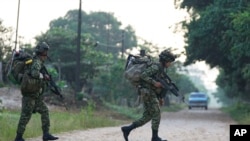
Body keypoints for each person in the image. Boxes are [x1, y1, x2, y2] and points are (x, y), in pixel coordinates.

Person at [121, 49, 176, 141]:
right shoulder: (156, 67)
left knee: (148, 116)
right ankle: (155, 137)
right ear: (165, 61)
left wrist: (160, 97)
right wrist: (154, 83)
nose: (170, 64)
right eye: (169, 62)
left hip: (149, 92)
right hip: (147, 92)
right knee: (156, 113)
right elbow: (143, 75)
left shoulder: (160, 69)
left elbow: (159, 84)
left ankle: (127, 129)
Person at [14, 42, 59, 141]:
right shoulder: (37, 62)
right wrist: (44, 76)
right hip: (29, 95)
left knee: (44, 111)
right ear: (42, 53)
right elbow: (34, 73)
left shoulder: (36, 61)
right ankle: (18, 137)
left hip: (35, 95)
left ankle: (46, 134)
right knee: (26, 115)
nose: (46, 55)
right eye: (45, 53)